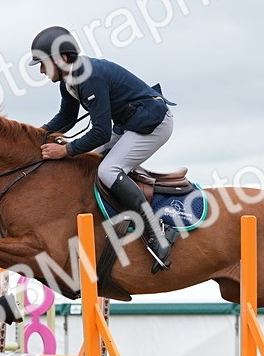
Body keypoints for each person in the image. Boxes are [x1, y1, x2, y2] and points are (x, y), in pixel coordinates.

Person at [31, 25, 177, 271]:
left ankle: (157, 234)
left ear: (63, 59)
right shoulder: (69, 80)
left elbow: (100, 132)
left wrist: (65, 150)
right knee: (85, 163)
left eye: (44, 64)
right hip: (129, 124)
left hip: (153, 123)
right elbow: (66, 119)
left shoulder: (90, 77)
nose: (42, 70)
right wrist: (34, 136)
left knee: (108, 170)